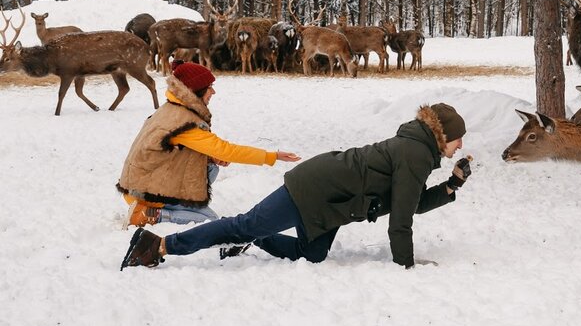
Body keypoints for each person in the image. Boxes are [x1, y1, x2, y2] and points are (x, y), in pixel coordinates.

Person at [121, 103, 471, 270]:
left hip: (333, 203)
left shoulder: (418, 151)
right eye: (459, 140)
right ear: (446, 135)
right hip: (314, 188)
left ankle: (249, 237)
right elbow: (401, 222)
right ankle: (159, 245)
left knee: (312, 254)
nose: (459, 147)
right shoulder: (415, 154)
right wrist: (406, 265)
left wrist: (452, 184)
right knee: (246, 223)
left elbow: (412, 203)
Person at [117, 59, 302, 226]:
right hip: (144, 192)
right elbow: (226, 150)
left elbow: (171, 152)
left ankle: (177, 205)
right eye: (209, 86)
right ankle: (150, 214)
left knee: (212, 168)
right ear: (196, 89)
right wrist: (272, 156)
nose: (213, 91)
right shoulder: (184, 122)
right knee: (209, 220)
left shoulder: (171, 108)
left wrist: (209, 158)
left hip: (139, 182)